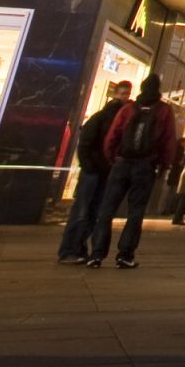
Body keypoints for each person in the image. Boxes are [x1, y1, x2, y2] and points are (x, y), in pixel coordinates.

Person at [90, 75, 182, 268]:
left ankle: (97, 253)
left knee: (107, 209)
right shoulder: (164, 111)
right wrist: (164, 166)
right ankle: (125, 254)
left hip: (122, 163)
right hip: (145, 166)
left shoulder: (128, 109)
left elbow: (112, 136)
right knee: (136, 211)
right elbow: (169, 141)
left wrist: (113, 158)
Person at [58, 82, 131, 263]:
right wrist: (90, 166)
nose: (124, 97)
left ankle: (77, 248)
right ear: (115, 94)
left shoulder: (116, 121)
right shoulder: (101, 119)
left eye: (126, 94)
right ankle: (70, 250)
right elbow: (85, 145)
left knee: (91, 212)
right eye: (121, 94)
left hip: (103, 172)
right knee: (83, 211)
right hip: (94, 172)